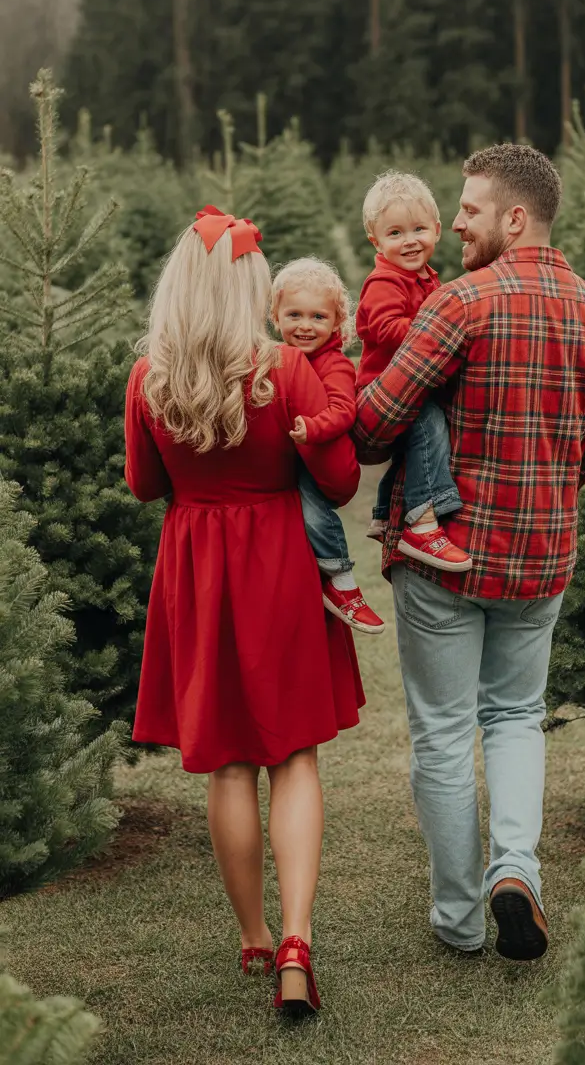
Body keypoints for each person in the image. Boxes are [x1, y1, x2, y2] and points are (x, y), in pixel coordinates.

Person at [354, 145, 585, 961]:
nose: (453, 223)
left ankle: (460, 919)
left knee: (441, 733)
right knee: (514, 718)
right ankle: (517, 870)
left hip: (446, 559)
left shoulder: (461, 304)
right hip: (539, 560)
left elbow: (373, 427)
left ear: (515, 217)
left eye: (467, 210)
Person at [124, 205, 365, 1018]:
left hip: (198, 566)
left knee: (230, 760)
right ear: (253, 290)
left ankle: (256, 936)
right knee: (293, 754)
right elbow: (337, 484)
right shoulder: (283, 369)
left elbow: (144, 485)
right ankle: (299, 937)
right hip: (280, 564)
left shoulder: (151, 375)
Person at [356, 171, 472, 572]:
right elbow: (387, 330)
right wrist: (435, 330)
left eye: (418, 229)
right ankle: (423, 525)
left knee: (415, 449)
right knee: (429, 425)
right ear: (376, 241)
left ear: (437, 230)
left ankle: (384, 510)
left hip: (413, 384)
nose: (409, 240)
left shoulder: (427, 278)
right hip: (385, 388)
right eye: (395, 233)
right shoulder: (384, 282)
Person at [270, 255, 384, 633]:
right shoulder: (278, 359)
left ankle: (342, 580)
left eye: (318, 317)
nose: (305, 326)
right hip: (296, 456)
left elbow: (343, 411)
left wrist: (311, 428)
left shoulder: (333, 364)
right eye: (294, 315)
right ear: (276, 317)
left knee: (314, 511)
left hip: (323, 464)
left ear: (337, 322)